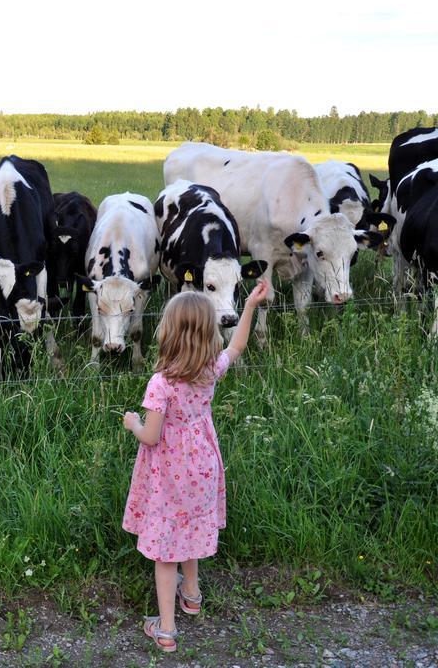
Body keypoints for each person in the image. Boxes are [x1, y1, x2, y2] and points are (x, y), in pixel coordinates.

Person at [122, 279, 270, 652]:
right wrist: (249, 305)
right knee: (188, 528)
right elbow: (237, 345)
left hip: (169, 474)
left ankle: (167, 629)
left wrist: (133, 424)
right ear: (207, 333)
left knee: (165, 549)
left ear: (169, 332)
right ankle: (192, 594)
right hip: (203, 465)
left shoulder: (161, 383)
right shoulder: (210, 370)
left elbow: (152, 436)